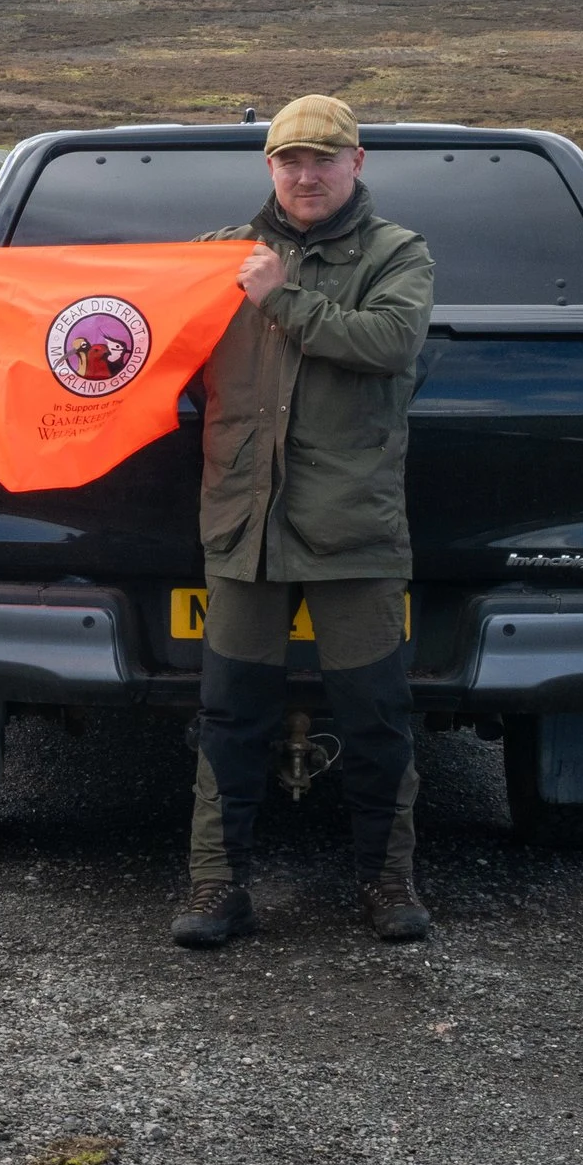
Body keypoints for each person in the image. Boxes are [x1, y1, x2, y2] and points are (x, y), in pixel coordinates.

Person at [172, 94, 434, 948]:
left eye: (324, 158)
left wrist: (282, 300)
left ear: (357, 163)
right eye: (291, 159)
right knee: (230, 715)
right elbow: (117, 311)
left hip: (351, 535)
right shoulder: (219, 257)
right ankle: (217, 888)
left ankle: (386, 884)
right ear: (270, 167)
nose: (306, 173)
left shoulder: (398, 253)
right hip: (243, 530)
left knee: (375, 715)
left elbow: (389, 342)